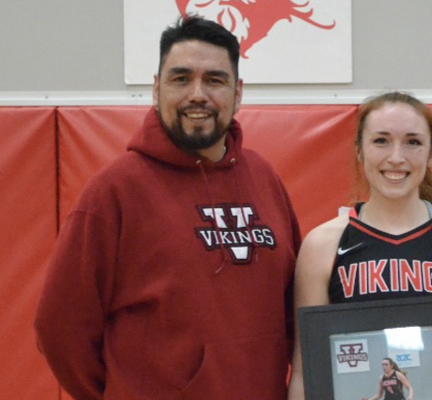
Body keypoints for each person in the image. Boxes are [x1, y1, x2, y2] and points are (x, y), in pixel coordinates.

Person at [34, 15, 301, 400]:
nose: (198, 94)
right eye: (181, 79)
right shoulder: (115, 191)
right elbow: (59, 326)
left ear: (237, 93)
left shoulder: (264, 178)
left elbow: (294, 308)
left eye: (214, 80)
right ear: (156, 89)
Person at [287, 92, 432, 400]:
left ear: (430, 153)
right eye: (381, 141)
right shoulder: (323, 245)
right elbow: (307, 372)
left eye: (413, 142)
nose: (396, 157)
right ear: (359, 151)